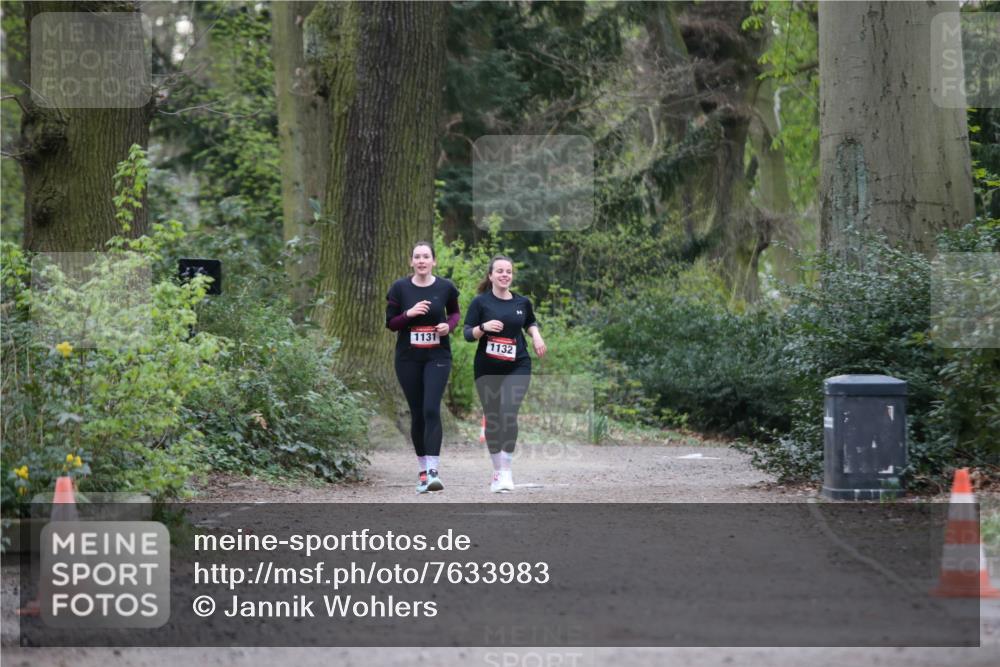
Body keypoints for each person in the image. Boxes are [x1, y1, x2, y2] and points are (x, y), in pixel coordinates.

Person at [463, 255, 546, 492]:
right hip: (487, 369)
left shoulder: (522, 302)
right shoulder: (481, 303)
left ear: (512, 275)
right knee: (494, 417)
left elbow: (530, 322)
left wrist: (537, 335)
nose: (504, 275)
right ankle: (497, 471)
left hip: (517, 365)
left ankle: (507, 471)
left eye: (508, 271)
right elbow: (467, 334)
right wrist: (483, 328)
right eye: (499, 271)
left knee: (508, 413)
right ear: (490, 276)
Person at [386, 241, 460, 493]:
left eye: (426, 256)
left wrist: (448, 327)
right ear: (411, 262)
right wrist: (409, 314)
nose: (421, 261)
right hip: (408, 358)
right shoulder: (400, 288)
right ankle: (421, 471)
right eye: (416, 257)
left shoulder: (445, 287)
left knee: (431, 409)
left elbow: (455, 314)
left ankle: (433, 472)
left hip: (437, 356)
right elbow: (391, 323)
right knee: (417, 413)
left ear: (433, 261)